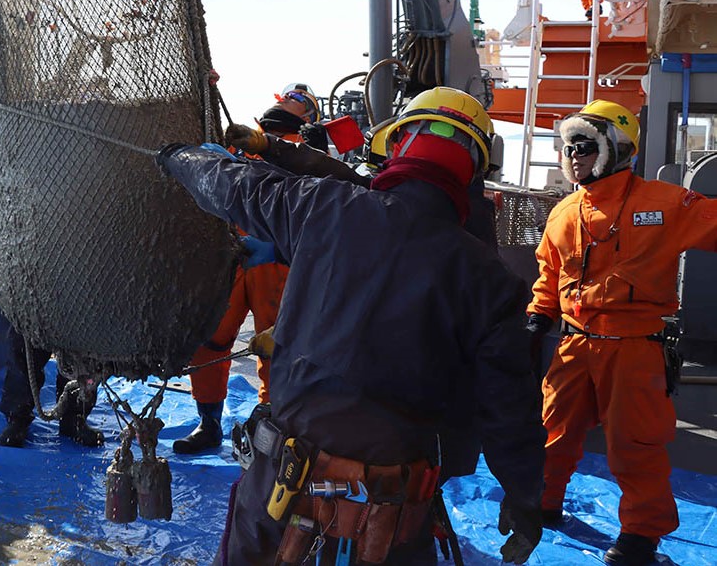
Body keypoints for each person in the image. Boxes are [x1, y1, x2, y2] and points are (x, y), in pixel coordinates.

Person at [158, 87, 545, 565]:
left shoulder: (324, 206)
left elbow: (233, 186)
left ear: (398, 144)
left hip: (282, 494)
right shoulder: (491, 280)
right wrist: (525, 497)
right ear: (473, 170)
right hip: (395, 516)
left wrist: (179, 157)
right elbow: (511, 408)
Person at [526, 99, 713, 566]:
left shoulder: (665, 204)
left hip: (634, 349)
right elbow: (550, 276)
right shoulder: (564, 212)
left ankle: (640, 535)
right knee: (553, 431)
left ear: (616, 148)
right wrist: (536, 319)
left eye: (584, 146)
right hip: (573, 344)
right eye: (567, 147)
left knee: (635, 445)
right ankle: (542, 504)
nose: (573, 156)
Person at [173, 86, 318, 454]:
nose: (290, 99)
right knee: (211, 339)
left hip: (276, 261)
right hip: (232, 257)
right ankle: (208, 423)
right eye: (288, 95)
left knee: (277, 347)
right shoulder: (243, 142)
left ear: (309, 116)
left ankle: (275, 426)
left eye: (300, 99)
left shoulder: (305, 152)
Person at [0, 321, 104, 448]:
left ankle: (74, 418)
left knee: (82, 351)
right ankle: (17, 419)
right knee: (24, 346)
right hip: (38, 307)